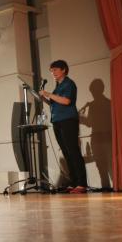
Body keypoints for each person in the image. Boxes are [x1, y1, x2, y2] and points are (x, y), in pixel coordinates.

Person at [40, 60, 88, 194]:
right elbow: (55, 103)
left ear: (64, 70)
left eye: (55, 70)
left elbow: (66, 101)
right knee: (66, 153)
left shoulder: (69, 84)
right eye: (51, 71)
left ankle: (81, 183)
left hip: (68, 121)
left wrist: (49, 94)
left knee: (73, 151)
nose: (53, 73)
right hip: (58, 121)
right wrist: (44, 98)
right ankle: (74, 182)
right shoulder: (57, 87)